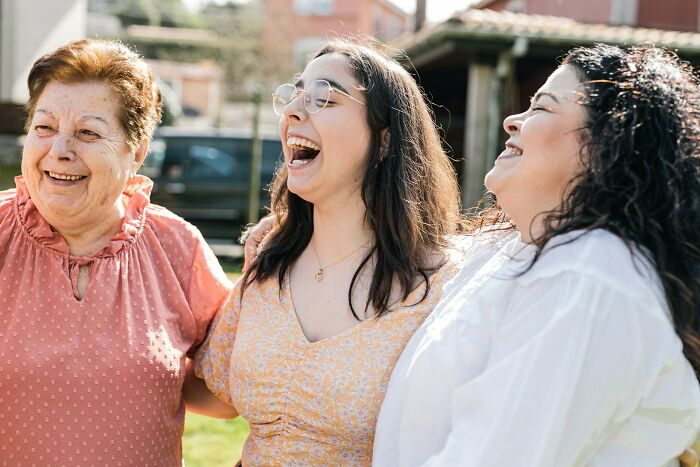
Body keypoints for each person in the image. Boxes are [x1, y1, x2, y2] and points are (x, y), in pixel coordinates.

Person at [371, 44, 700, 466]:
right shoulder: (517, 250)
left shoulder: (588, 274)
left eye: (541, 108)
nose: (512, 119)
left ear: (607, 147)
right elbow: (410, 255)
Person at [186, 39, 464, 464]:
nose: (294, 110)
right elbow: (216, 394)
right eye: (295, 94)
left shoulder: (443, 287)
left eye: (323, 98)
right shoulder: (269, 261)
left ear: (385, 140)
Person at [0, 39, 232, 465]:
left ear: (137, 152)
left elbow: (224, 395)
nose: (60, 150)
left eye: (87, 132)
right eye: (44, 127)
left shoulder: (178, 247)